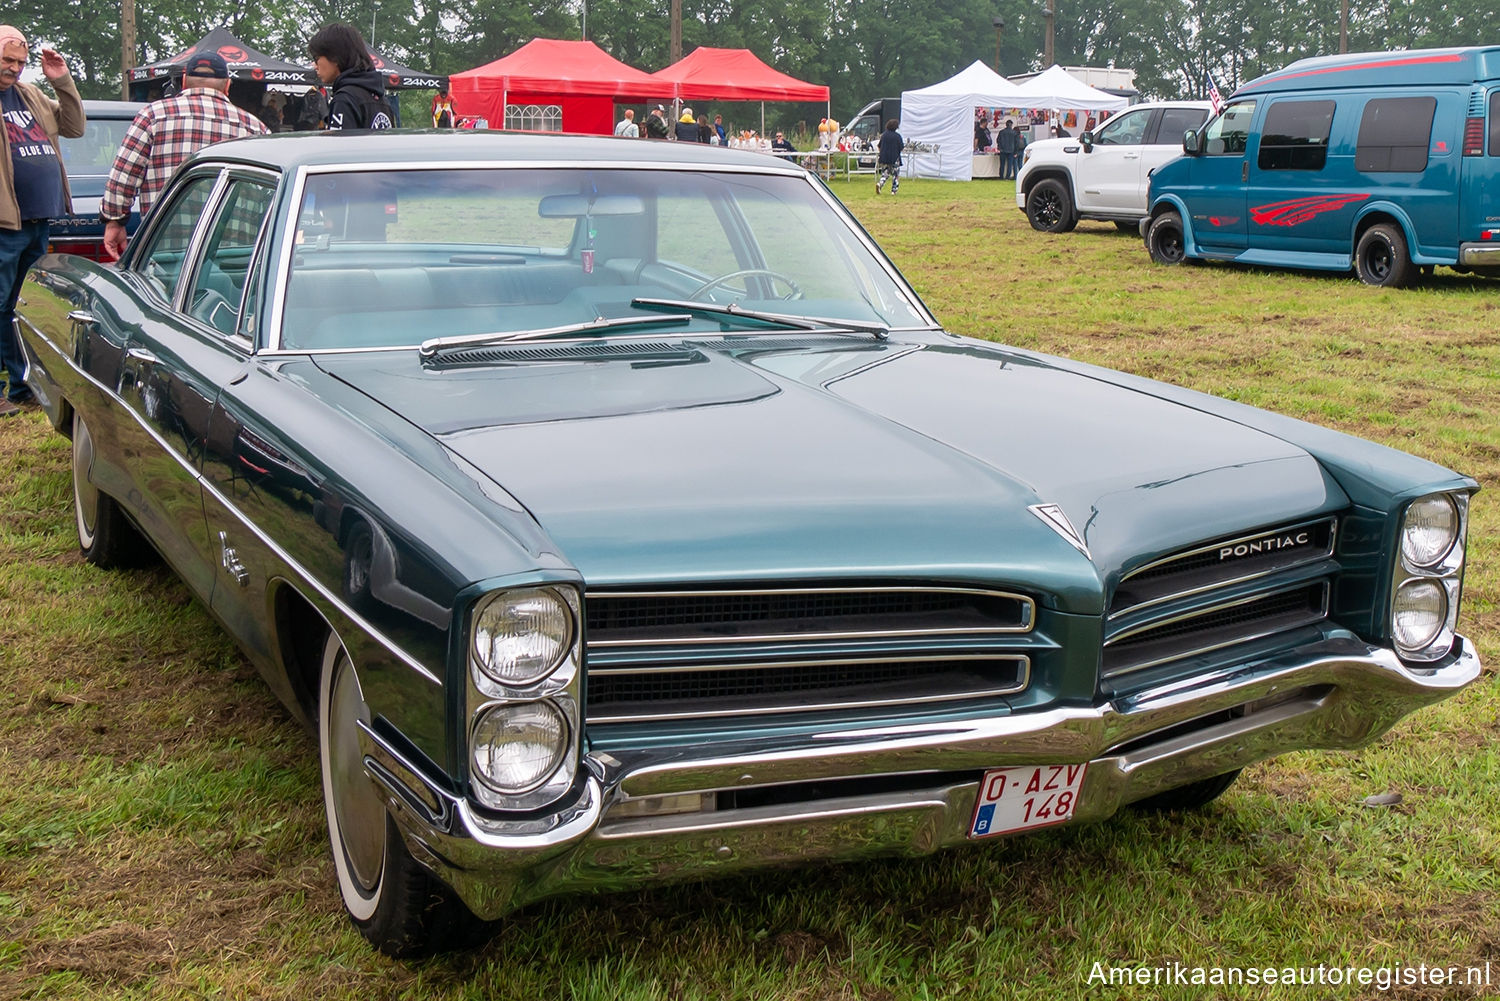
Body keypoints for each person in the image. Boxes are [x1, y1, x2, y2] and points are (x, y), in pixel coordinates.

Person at [99, 51, 267, 261]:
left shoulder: (152, 116)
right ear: (227, 86)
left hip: (163, 249)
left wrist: (115, 221)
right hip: (233, 254)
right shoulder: (255, 128)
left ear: (185, 81)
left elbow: (124, 174)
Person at [0, 26, 82, 417]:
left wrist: (61, 81)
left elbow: (73, 126)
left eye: (19, 62)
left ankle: (21, 385)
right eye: (6, 60)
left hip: (36, 218)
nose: (14, 68)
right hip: (4, 223)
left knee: (20, 305)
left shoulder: (29, 94)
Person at [308, 22, 393, 130]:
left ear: (334, 57)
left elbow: (338, 145)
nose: (315, 66)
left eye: (316, 58)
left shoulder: (344, 99)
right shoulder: (383, 100)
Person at [875, 117, 902, 194]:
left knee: (885, 173)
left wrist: (882, 153)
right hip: (894, 158)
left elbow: (879, 146)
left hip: (884, 158)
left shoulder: (884, 135)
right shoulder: (897, 136)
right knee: (895, 175)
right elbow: (901, 147)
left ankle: (880, 184)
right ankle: (894, 191)